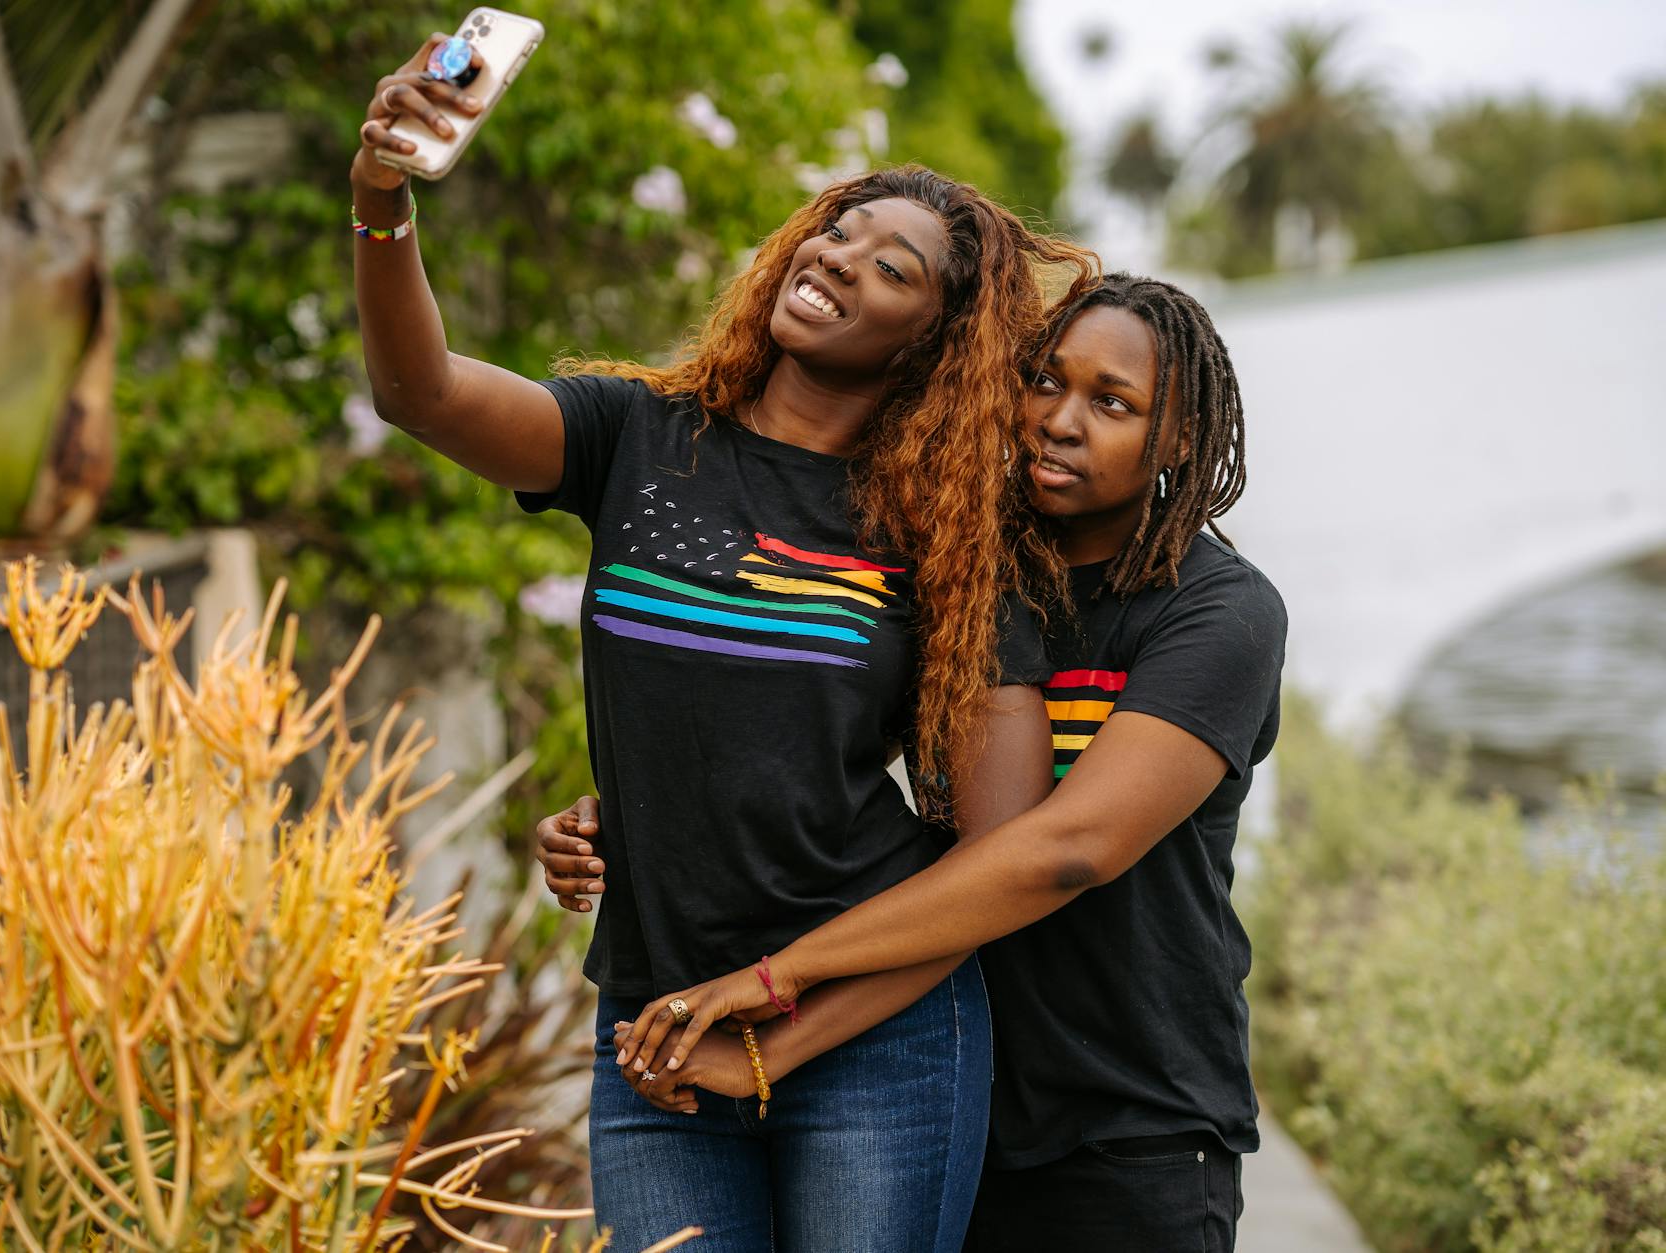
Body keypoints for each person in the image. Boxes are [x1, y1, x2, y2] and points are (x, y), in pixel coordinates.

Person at [353, 38, 1094, 1252]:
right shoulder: (638, 437)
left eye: (889, 266)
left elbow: (990, 872)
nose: (835, 258)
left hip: (870, 1041)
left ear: (931, 339)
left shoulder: (947, 536)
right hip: (656, 1029)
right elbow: (418, 392)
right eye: (835, 233)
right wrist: (381, 198)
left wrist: (775, 1034)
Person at [546, 274, 1284, 1250]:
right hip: (946, 1088)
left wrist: (773, 983)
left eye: (1113, 403)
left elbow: (1067, 847)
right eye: (1044, 381)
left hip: (1129, 1125)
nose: (1061, 420)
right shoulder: (959, 569)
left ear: (1178, 439)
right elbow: (813, 739)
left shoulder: (1216, 611)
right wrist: (644, 807)